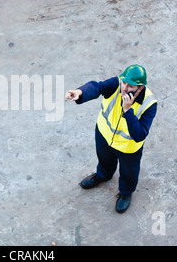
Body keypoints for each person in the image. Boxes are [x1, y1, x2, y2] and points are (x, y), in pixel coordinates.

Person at [65, 65, 157, 213]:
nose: (125, 88)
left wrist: (128, 111)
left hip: (128, 147)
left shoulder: (149, 104)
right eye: (124, 83)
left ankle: (126, 193)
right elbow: (97, 87)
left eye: (130, 86)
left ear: (140, 88)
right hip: (104, 134)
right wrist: (79, 92)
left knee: (129, 172)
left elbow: (139, 134)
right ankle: (103, 176)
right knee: (104, 160)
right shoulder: (117, 84)